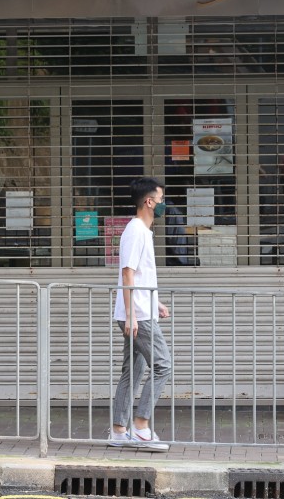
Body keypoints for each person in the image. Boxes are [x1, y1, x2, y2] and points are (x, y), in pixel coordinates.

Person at [108, 177, 172, 451]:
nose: (163, 205)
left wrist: (155, 301)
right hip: (138, 315)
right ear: (149, 202)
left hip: (141, 310)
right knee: (163, 365)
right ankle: (142, 427)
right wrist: (133, 314)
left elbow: (140, 275)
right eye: (161, 200)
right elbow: (127, 273)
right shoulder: (136, 231)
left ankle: (119, 432)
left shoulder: (142, 231)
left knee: (132, 372)